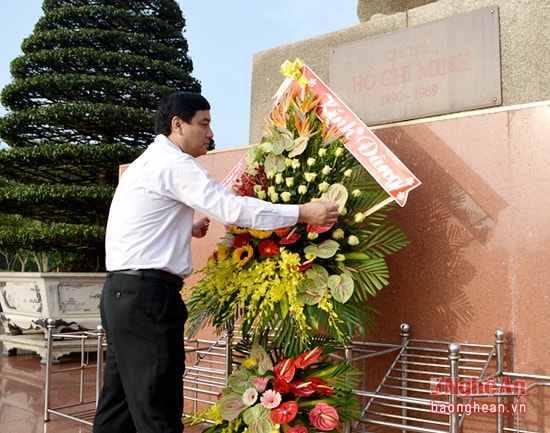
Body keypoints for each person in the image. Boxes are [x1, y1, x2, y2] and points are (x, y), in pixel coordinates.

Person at [92, 91, 339, 433]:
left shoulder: (145, 163)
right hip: (147, 300)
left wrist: (184, 226)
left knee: (117, 410)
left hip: (120, 294)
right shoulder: (176, 164)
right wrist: (302, 211)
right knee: (157, 411)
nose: (210, 134)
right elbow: (231, 208)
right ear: (177, 125)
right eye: (204, 123)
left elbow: (136, 223)